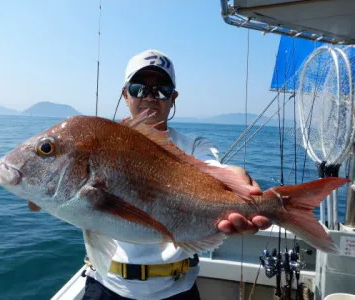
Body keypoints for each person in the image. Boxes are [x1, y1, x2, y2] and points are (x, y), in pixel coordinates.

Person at [82, 49, 271, 300]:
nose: (151, 96)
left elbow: (213, 170)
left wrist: (237, 181)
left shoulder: (193, 146)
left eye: (162, 90)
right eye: (140, 88)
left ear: (173, 97)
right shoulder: (101, 145)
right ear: (125, 94)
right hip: (108, 287)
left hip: (177, 290)